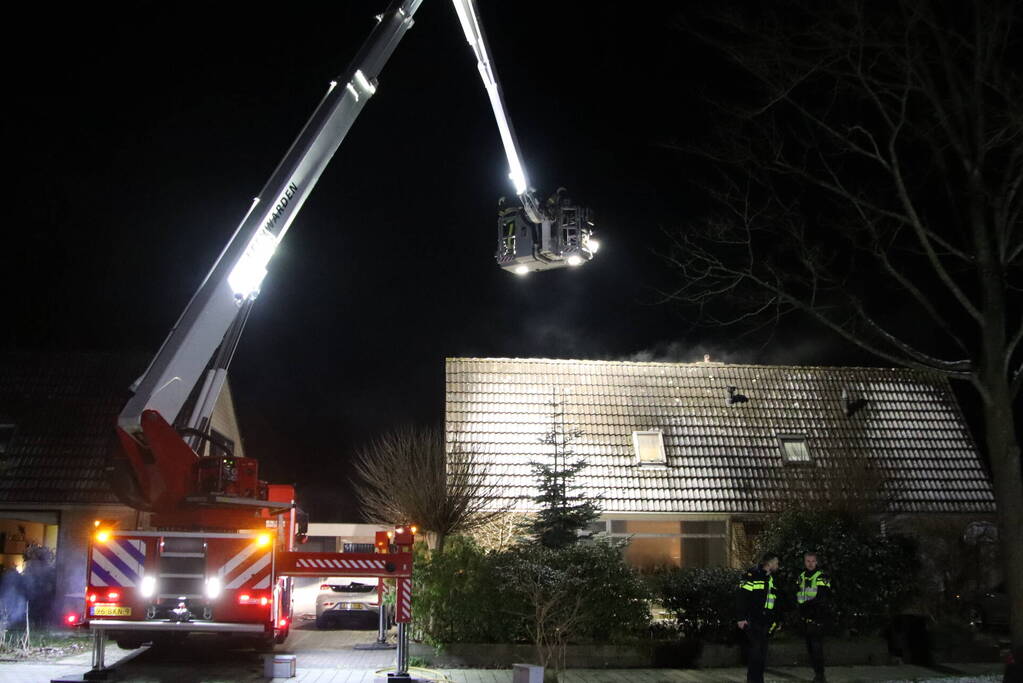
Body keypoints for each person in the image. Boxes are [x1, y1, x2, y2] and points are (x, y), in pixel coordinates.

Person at [737, 552, 779, 683]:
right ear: (769, 563)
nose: (778, 565)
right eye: (776, 563)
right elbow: (742, 597)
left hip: (765, 621)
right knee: (756, 653)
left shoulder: (770, 578)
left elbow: (773, 600)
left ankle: (758, 680)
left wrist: (775, 620)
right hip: (753, 620)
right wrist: (741, 617)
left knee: (762, 654)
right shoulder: (752, 575)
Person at [797, 551, 831, 683]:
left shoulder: (822, 576)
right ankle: (817, 674)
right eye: (808, 561)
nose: (810, 564)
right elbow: (799, 594)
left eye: (813, 561)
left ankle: (820, 675)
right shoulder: (801, 576)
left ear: (816, 562)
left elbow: (823, 597)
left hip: (818, 616)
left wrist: (808, 606)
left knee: (816, 646)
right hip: (805, 617)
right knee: (810, 647)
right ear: (804, 562)